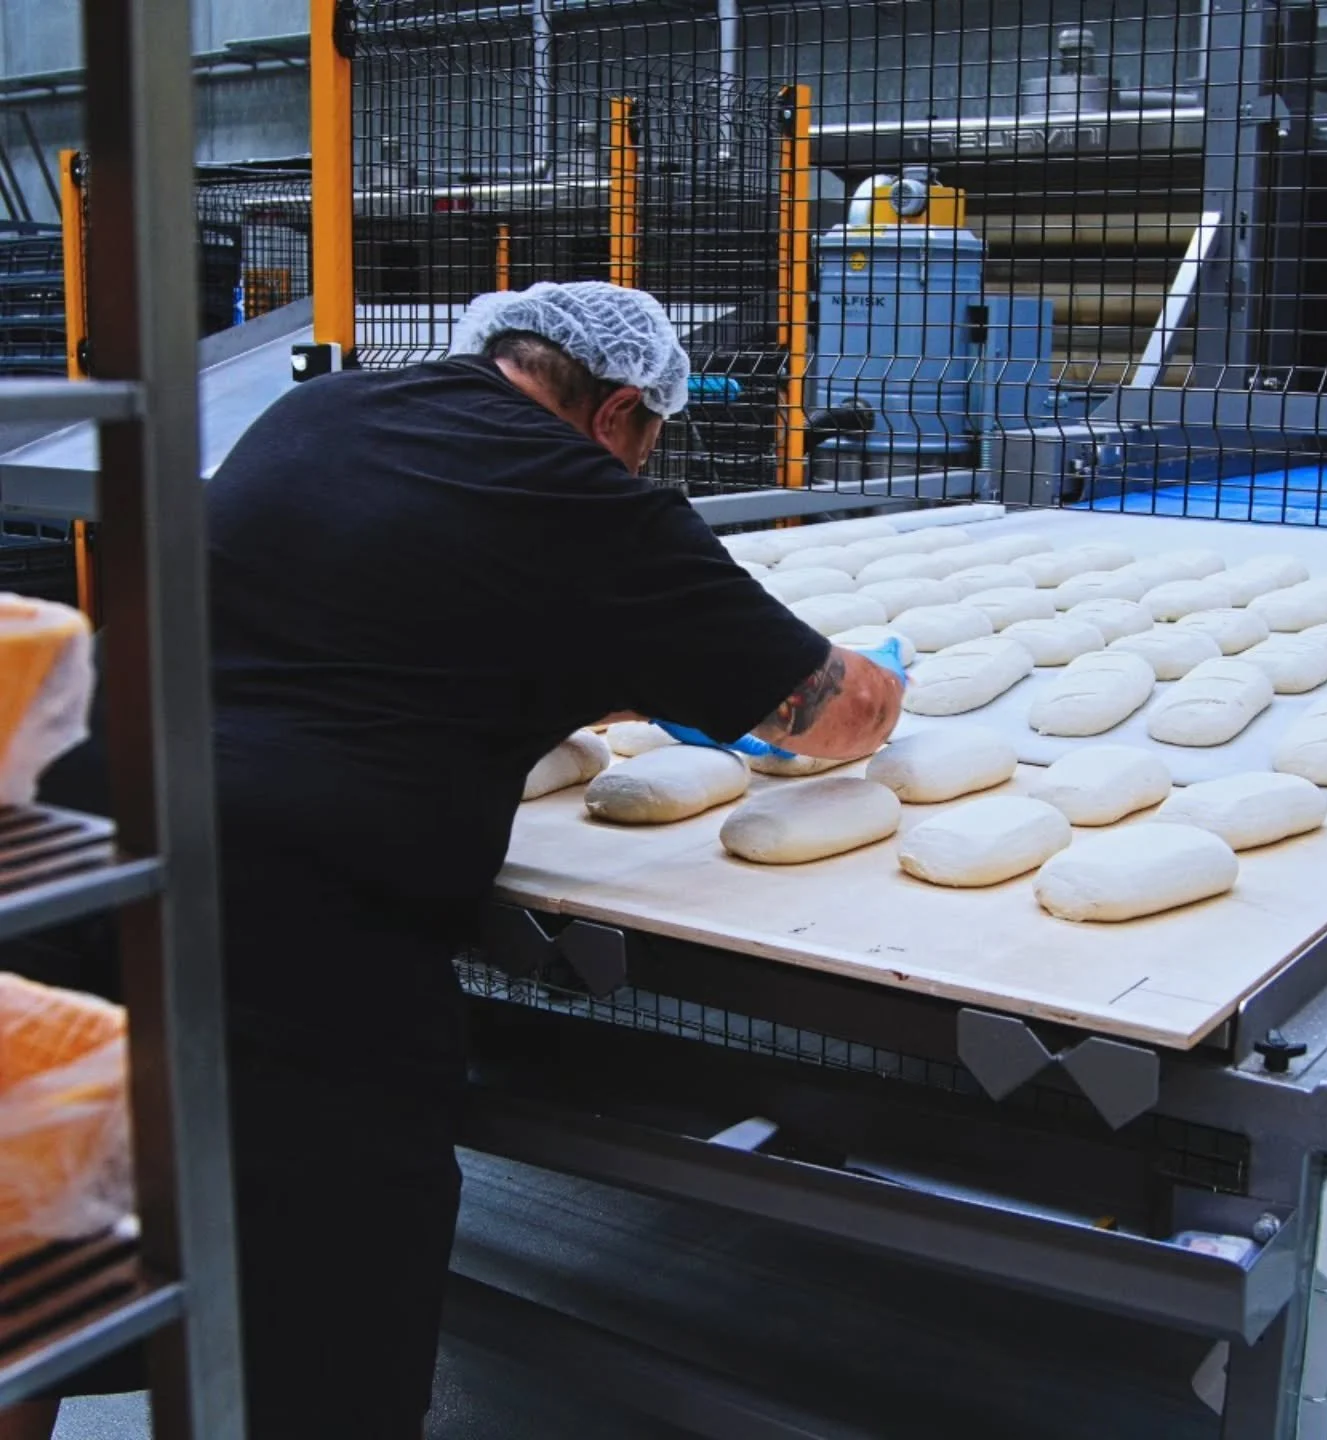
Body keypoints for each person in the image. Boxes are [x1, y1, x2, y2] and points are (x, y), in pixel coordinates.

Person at [1, 281, 904, 1440]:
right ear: (623, 413)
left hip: (57, 840)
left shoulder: (319, 415)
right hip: (285, 926)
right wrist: (881, 675)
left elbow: (388, 603)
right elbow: (830, 715)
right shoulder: (594, 503)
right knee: (325, 1320)